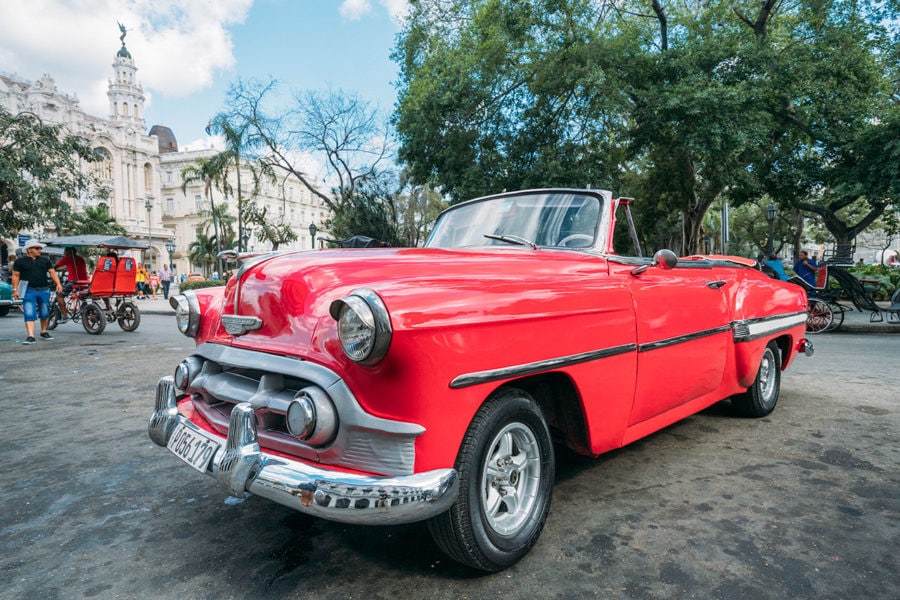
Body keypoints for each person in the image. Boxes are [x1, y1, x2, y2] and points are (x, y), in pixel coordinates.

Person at [11, 239, 63, 344]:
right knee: (29, 312)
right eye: (37, 248)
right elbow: (15, 276)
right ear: (29, 250)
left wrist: (58, 284)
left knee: (45, 312)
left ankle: (43, 331)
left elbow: (52, 273)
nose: (39, 250)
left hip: (44, 289)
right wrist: (15, 290)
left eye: (40, 248)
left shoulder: (45, 260)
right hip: (28, 290)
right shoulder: (20, 261)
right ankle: (31, 336)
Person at [54, 247, 89, 322]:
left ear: (69, 251)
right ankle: (84, 308)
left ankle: (65, 316)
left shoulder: (67, 258)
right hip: (85, 282)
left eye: (65, 251)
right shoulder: (81, 258)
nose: (64, 253)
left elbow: (54, 267)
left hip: (74, 281)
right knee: (82, 296)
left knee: (59, 295)